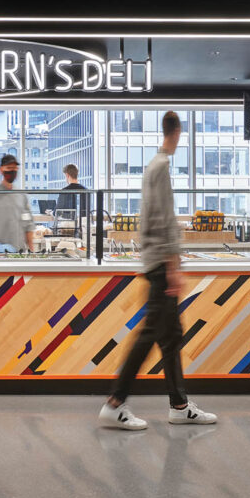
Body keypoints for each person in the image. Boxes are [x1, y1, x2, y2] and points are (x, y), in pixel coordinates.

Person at [98, 112, 217, 430]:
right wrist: (173, 265)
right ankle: (115, 402)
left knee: (169, 335)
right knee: (152, 333)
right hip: (161, 263)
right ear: (177, 132)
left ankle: (179, 404)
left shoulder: (153, 166)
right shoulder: (161, 167)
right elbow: (164, 219)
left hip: (153, 260)